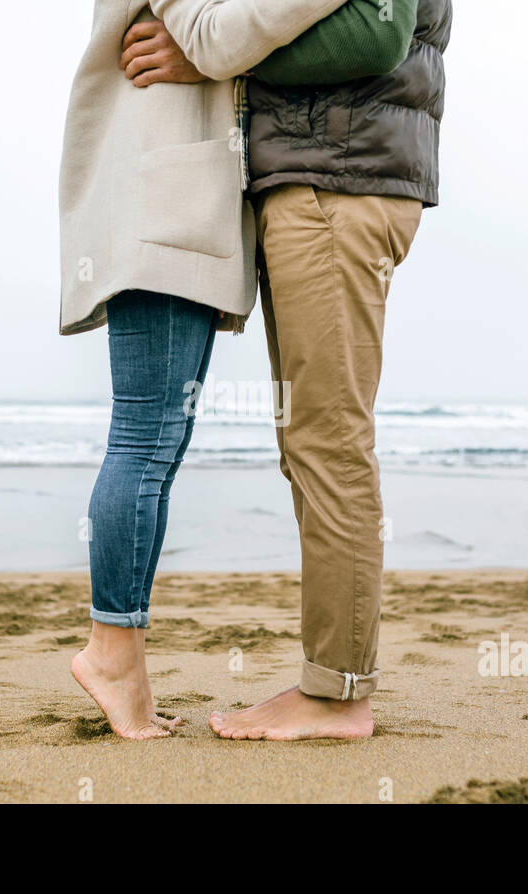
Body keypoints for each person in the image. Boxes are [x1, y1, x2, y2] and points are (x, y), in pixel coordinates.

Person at [60, 0, 412, 739]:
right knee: (150, 439)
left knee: (176, 440)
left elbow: (362, 33)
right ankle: (112, 652)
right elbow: (217, 36)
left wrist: (218, 60)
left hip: (196, 202)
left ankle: (129, 660)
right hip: (165, 203)